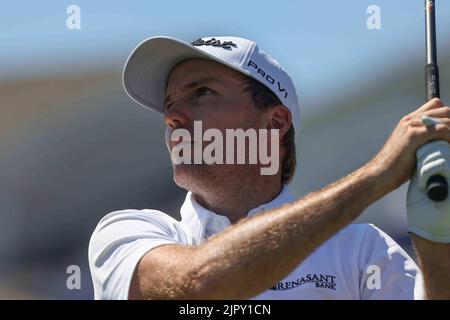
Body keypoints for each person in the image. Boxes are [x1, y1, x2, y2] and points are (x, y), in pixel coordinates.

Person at [88, 36, 450, 300]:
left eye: (202, 93)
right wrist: (376, 175)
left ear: (275, 123)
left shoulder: (361, 250)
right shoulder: (128, 232)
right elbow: (200, 285)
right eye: (169, 103)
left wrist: (437, 242)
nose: (172, 116)